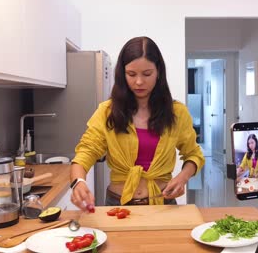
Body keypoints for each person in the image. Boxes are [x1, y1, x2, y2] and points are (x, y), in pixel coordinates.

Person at [70, 36, 205, 210]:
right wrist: (78, 182)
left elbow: (194, 154)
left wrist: (182, 178)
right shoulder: (107, 112)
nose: (139, 82)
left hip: (162, 203)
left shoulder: (177, 113)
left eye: (147, 74)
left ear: (158, 73)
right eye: (131, 74)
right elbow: (85, 152)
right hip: (118, 204)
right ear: (122, 74)